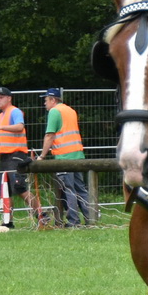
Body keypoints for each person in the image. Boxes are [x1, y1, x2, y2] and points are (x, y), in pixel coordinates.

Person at [40, 87, 91, 227]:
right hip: (77, 155)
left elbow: (50, 135)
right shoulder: (70, 110)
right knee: (80, 189)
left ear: (53, 100)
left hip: (64, 157)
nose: (44, 103)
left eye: (45, 100)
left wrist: (42, 156)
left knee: (69, 189)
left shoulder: (54, 111)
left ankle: (73, 221)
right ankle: (90, 218)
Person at [0, 86, 32, 229]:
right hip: (4, 157)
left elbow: (19, 127)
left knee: (20, 188)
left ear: (9, 98)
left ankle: (42, 214)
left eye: (1, 97)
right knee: (4, 190)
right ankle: (7, 222)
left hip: (16, 155)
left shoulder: (14, 111)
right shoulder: (0, 116)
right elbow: (1, 138)